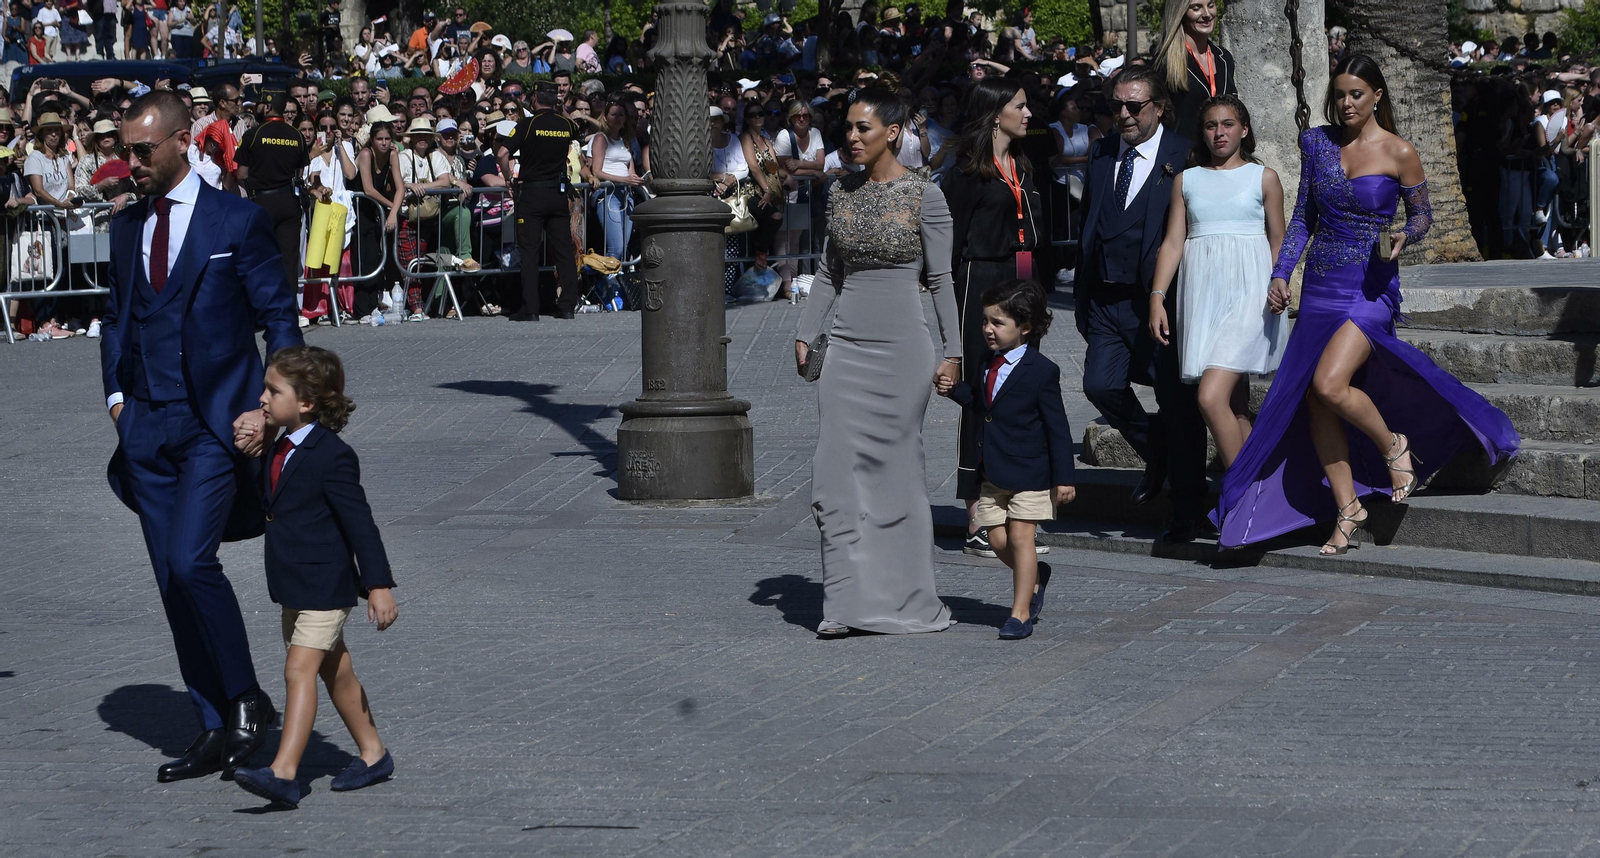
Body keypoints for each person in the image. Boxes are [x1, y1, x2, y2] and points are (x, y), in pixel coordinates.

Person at [1214, 55, 1521, 554]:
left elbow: (1423, 216)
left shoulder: (1400, 151)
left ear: (1377, 95)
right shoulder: (1316, 143)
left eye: (1356, 93)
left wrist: (1404, 235)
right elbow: (1302, 220)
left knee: (1328, 384)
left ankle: (1393, 444)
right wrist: (1280, 272)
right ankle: (1347, 508)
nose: (1346, 103)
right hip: (1320, 287)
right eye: (1339, 95)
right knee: (1315, 400)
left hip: (1370, 287)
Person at [100, 89, 303, 783]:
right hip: (146, 428)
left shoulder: (236, 221)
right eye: (124, 149)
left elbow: (280, 318)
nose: (129, 163)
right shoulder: (127, 228)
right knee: (168, 580)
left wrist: (270, 410)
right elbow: (117, 320)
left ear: (182, 141)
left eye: (141, 150)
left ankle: (247, 698)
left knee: (192, 562)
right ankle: (213, 722)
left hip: (218, 425)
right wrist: (119, 401)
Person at [793, 88, 961, 637]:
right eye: (848, 128)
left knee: (896, 477)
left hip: (902, 351)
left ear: (892, 132)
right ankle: (842, 605)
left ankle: (908, 599)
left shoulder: (924, 196)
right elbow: (827, 274)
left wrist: (953, 351)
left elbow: (940, 281)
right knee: (834, 474)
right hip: (845, 347)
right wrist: (805, 330)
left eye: (864, 128)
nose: (852, 137)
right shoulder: (839, 193)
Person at [230, 346, 398, 809]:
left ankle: (284, 774)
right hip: (293, 585)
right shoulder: (276, 445)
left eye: (272, 390)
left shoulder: (333, 456)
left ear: (306, 402)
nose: (262, 398)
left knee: (297, 669)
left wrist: (378, 584)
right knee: (334, 669)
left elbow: (360, 523)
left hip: (327, 585)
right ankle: (374, 753)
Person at [1075, 66, 1209, 543]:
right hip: (1107, 300)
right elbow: (1094, 215)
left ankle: (1189, 508)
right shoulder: (1103, 151)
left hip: (1161, 300)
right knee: (1100, 384)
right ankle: (1160, 454)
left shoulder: (1184, 154)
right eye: (1117, 106)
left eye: (1134, 106)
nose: (1125, 115)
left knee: (1177, 404)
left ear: (1158, 107)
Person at [1146, 95, 1286, 470]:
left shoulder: (1264, 177)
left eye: (1227, 124)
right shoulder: (1186, 180)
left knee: (1210, 397)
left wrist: (1279, 280)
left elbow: (1279, 240)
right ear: (1202, 133)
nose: (1219, 132)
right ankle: (1256, 498)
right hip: (1201, 297)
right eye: (1211, 125)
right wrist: (1157, 297)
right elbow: (1173, 242)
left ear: (1244, 129)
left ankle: (1239, 496)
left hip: (1250, 296)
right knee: (1235, 405)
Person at [937, 280, 1074, 640]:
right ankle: (1036, 576)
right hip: (994, 471)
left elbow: (1057, 429)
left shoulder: (1043, 371)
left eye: (997, 323)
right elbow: (985, 407)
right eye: (985, 321)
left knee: (1019, 537)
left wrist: (1065, 477)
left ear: (1024, 327)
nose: (987, 329)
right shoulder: (986, 363)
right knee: (997, 540)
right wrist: (956, 391)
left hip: (1031, 471)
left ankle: (1020, 613)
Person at [943, 79, 1042, 557]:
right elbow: (948, 245)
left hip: (1023, 282)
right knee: (984, 396)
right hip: (980, 281)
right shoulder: (966, 173)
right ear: (995, 112)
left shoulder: (1022, 164)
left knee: (1020, 395)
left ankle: (1017, 515)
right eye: (1020, 105)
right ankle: (977, 519)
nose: (1028, 113)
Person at [496, 83, 579, 320]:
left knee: (530, 252)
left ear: (534, 99)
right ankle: (567, 306)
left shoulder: (527, 124)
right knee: (563, 251)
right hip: (557, 193)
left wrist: (508, 177)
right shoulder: (565, 125)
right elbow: (575, 134)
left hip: (532, 194)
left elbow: (502, 153)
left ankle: (530, 308)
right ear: (555, 100)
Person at [236, 95, 310, 287]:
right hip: (288, 202)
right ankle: (288, 310)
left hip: (261, 202)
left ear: (268, 108)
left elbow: (241, 173)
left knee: (261, 258)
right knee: (289, 260)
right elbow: (299, 173)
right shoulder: (297, 136)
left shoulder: (253, 135)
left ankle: (262, 309)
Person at [1155, 0, 1237, 144]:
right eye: (1196, 8)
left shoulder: (1224, 58)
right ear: (1181, 13)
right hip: (1184, 156)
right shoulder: (1165, 63)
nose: (1206, 14)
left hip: (1222, 155)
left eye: (1211, 5)